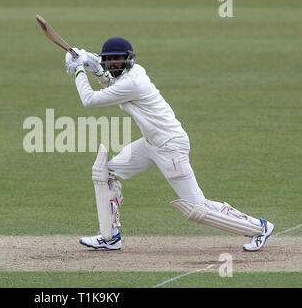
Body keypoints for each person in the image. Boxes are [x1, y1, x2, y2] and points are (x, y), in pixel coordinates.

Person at [64, 37, 274, 252]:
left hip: (170, 146)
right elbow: (110, 83)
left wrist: (80, 68)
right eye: (109, 60)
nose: (113, 64)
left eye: (117, 59)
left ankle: (259, 227)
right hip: (150, 144)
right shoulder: (129, 76)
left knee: (197, 208)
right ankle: (110, 237)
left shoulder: (133, 82)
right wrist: (96, 70)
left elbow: (89, 100)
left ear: (128, 59)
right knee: (105, 173)